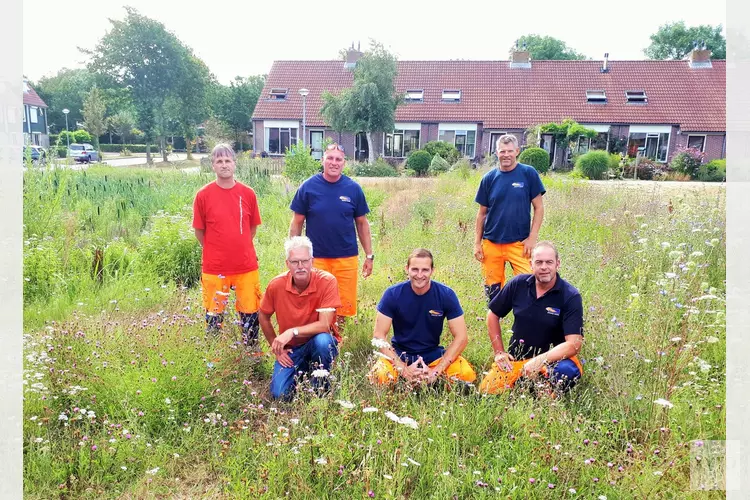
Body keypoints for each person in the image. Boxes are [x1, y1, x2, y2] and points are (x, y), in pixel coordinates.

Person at [479, 241, 584, 395]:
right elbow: (492, 315)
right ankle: (526, 384)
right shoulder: (518, 284)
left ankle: (546, 394)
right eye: (539, 262)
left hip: (553, 362)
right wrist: (499, 352)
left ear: (557, 264)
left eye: (549, 262)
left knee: (566, 371)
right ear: (531, 264)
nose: (544, 267)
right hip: (517, 360)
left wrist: (539, 361)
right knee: (487, 391)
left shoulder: (570, 296)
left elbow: (574, 344)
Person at [289, 143, 374, 323]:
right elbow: (297, 222)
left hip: (346, 258)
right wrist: (294, 255)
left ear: (344, 163)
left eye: (338, 159)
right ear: (323, 160)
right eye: (330, 158)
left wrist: (369, 255)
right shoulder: (308, 187)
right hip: (316, 258)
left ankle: (339, 345)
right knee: (316, 306)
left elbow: (362, 224)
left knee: (343, 308)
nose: (334, 163)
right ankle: (317, 344)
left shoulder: (353, 189)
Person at [368, 248, 477, 387]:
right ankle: (401, 384)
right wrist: (402, 369)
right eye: (415, 269)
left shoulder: (446, 295)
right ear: (406, 269)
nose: (419, 275)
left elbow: (461, 337)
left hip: (433, 355)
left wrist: (436, 371)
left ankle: (435, 382)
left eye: (425, 270)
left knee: (466, 375)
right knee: (380, 377)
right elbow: (378, 336)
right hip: (401, 354)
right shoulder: (392, 294)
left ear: (432, 270)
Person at [192, 143, 262, 346]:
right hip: (215, 268)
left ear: (235, 164)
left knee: (250, 313)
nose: (224, 165)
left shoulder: (248, 193)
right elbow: (199, 231)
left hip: (245, 266)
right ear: (212, 166)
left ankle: (251, 354)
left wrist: (238, 247)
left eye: (227, 160)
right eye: (219, 161)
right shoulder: (203, 195)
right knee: (214, 315)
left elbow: (252, 229)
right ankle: (214, 355)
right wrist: (216, 250)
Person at [259, 236, 341, 400]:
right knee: (280, 395)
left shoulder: (327, 281)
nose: (300, 266)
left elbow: (325, 325)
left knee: (324, 341)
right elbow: (263, 315)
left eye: (304, 261)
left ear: (312, 261)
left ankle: (321, 388)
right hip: (292, 349)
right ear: (287, 263)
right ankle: (304, 371)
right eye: (295, 262)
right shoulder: (276, 285)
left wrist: (292, 331)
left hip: (317, 341)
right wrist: (277, 348)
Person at [474, 134, 545, 304]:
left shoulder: (528, 174)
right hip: (491, 243)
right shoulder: (489, 178)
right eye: (502, 151)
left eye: (510, 151)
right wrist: (477, 243)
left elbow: (539, 208)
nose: (506, 155)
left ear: (517, 151)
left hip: (520, 244)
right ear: (496, 153)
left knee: (528, 286)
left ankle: (524, 324)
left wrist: (532, 238)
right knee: (493, 291)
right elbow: (481, 213)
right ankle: (495, 323)